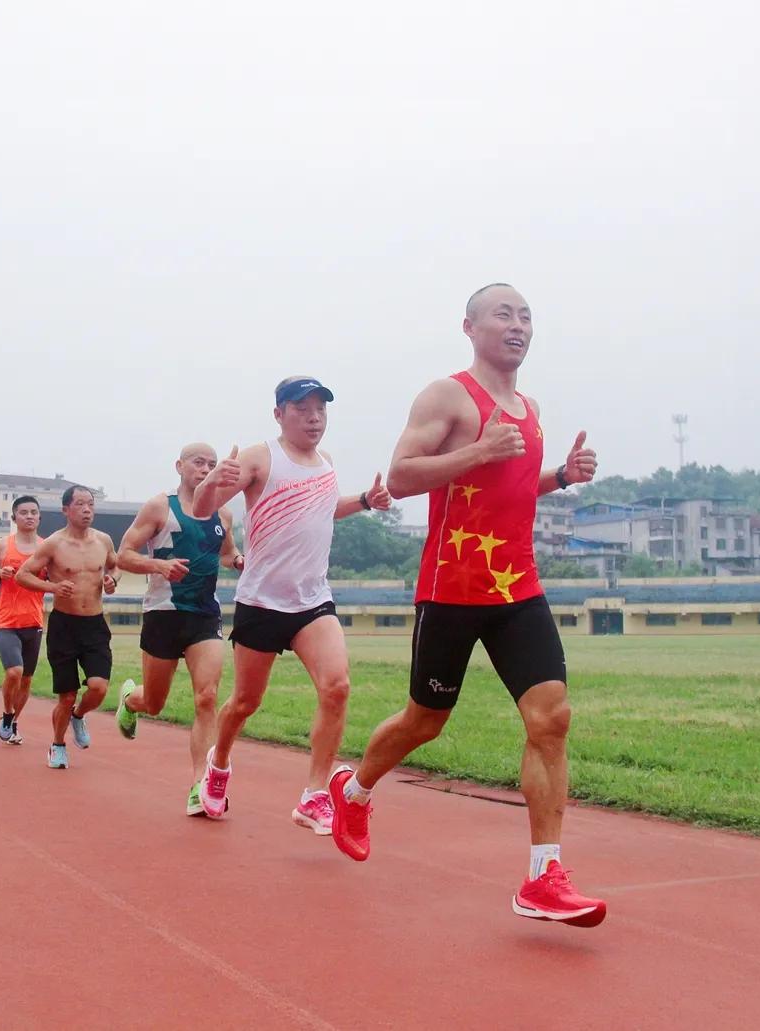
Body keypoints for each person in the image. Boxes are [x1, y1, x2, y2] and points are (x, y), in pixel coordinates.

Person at [325, 282, 608, 928]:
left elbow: (509, 485)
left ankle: (543, 875)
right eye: (503, 314)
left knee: (550, 716)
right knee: (424, 722)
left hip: (518, 587)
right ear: (470, 326)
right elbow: (399, 476)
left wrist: (561, 475)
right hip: (450, 588)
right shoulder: (447, 395)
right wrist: (478, 448)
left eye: (526, 315)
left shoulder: (529, 407)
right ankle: (355, 788)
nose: (518, 325)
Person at [188, 377, 391, 830]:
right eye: (302, 408)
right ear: (279, 413)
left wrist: (364, 501)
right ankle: (218, 767)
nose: (314, 417)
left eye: (321, 409)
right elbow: (202, 511)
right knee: (244, 702)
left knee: (336, 687)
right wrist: (211, 484)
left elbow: (322, 509)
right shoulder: (261, 457)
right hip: (262, 603)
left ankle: (315, 795)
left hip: (313, 601)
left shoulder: (327, 462)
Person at [114, 444, 245, 814]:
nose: (205, 469)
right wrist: (159, 567)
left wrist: (237, 561)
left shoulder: (223, 512)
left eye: (211, 464)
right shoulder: (160, 506)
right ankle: (130, 700)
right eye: (198, 462)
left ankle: (199, 786)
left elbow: (225, 551)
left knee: (207, 697)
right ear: (180, 466)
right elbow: (124, 554)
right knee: (154, 702)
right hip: (163, 613)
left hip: (204, 614)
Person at [15, 486, 119, 769]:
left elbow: (114, 565)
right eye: (80, 504)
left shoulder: (104, 540)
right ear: (66, 510)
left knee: (98, 688)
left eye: (91, 504)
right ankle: (58, 744)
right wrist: (52, 586)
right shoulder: (53, 544)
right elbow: (23, 576)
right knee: (67, 694)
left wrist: (112, 580)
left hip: (95, 624)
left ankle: (78, 715)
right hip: (64, 625)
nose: (87, 510)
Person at [0, 496, 48, 745]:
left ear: (39, 517)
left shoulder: (47, 547)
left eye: (33, 512)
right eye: (23, 512)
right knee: (14, 672)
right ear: (14, 517)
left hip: (34, 620)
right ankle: (7, 713)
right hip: (7, 621)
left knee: (27, 679)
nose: (29, 516)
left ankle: (13, 720)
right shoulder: (1, 546)